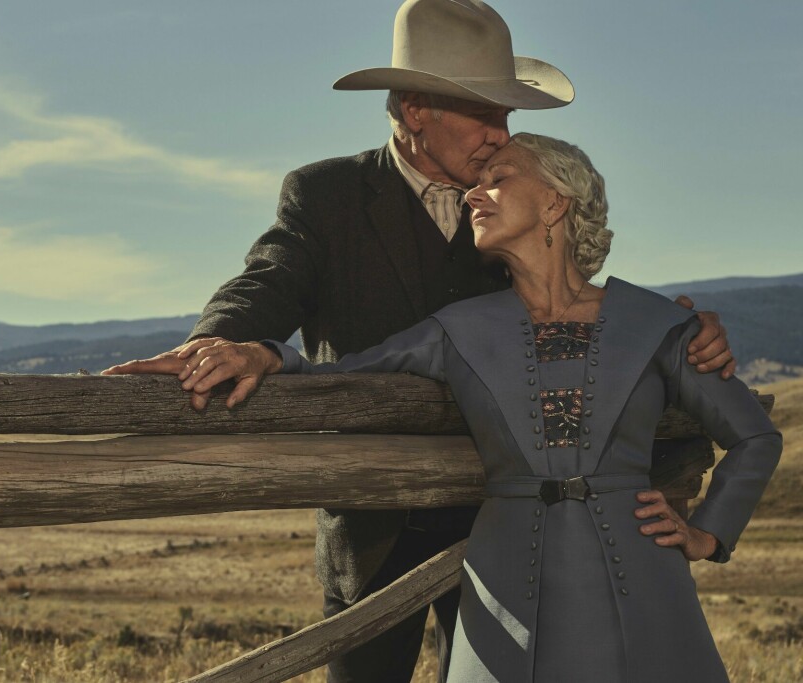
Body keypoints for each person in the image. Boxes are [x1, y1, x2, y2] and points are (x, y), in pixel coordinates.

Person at [105, 1, 734, 680]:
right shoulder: (328, 195)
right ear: (413, 111)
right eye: (483, 113)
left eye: (507, 114)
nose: (502, 134)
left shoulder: (509, 202)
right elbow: (268, 280)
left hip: (506, 523)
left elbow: (572, 299)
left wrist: (679, 329)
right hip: (372, 525)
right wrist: (223, 339)